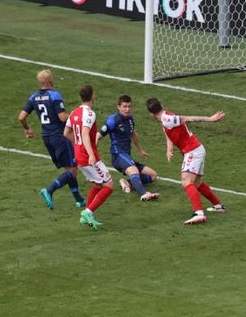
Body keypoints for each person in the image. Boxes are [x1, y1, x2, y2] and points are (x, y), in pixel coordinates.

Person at [146, 97, 227, 225]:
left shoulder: (167, 119)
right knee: (197, 183)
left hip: (192, 150)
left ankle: (199, 214)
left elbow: (188, 118)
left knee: (186, 181)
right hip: (196, 149)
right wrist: (169, 149)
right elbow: (168, 135)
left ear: (151, 114)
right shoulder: (166, 118)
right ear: (161, 105)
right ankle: (218, 205)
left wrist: (210, 119)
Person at [18, 69, 86, 209]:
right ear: (50, 81)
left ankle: (79, 200)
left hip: (47, 137)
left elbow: (21, 117)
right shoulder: (54, 95)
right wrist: (75, 116)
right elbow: (62, 117)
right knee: (72, 170)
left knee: (69, 168)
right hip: (60, 136)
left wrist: (27, 129)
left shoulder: (33, 97)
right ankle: (49, 191)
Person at [64, 85, 114, 230]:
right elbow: (85, 133)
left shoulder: (73, 112)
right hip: (88, 156)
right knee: (109, 185)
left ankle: (85, 216)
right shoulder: (90, 114)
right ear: (93, 96)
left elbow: (66, 133)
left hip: (79, 155)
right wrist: (91, 154)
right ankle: (88, 211)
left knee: (97, 185)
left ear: (80, 98)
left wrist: (77, 144)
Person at [96, 95, 160, 201]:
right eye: (124, 106)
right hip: (118, 155)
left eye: (129, 106)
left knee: (153, 175)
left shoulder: (130, 118)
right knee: (134, 171)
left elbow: (133, 134)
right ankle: (144, 194)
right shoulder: (113, 120)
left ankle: (127, 183)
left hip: (126, 155)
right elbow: (98, 136)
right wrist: (93, 155)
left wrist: (140, 150)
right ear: (119, 107)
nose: (127, 109)